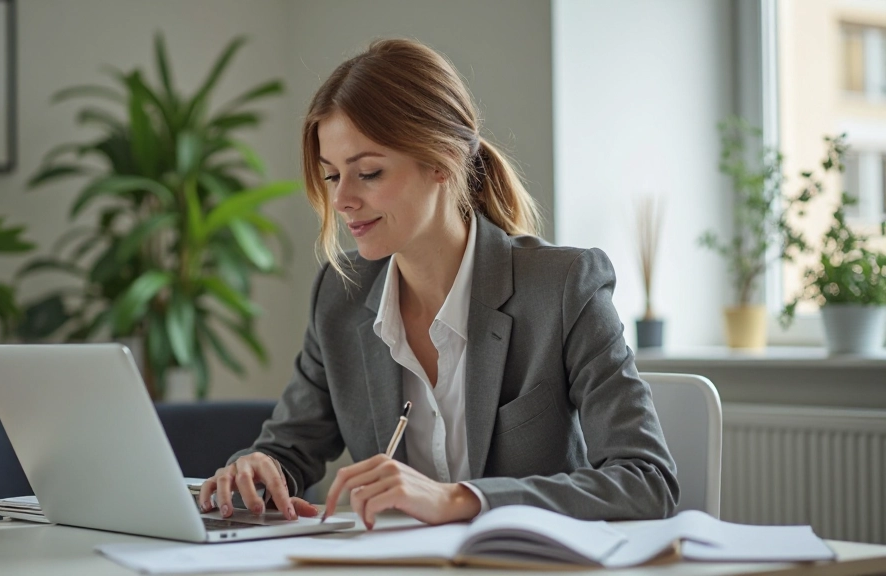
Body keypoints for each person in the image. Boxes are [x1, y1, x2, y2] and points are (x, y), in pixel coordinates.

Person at [197, 38, 678, 530]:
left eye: (368, 172)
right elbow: (289, 447)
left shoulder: (563, 288)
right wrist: (261, 470)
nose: (342, 199)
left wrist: (462, 499)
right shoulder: (339, 296)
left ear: (443, 161)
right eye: (331, 176)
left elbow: (647, 480)